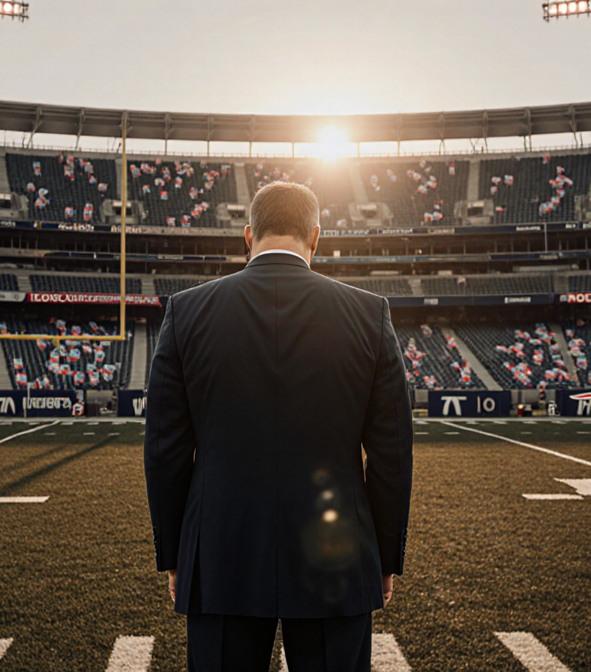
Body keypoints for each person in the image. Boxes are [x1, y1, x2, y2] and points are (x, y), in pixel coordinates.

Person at [144, 181, 414, 672]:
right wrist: (385, 557)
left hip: (221, 552)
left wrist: (175, 554)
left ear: (248, 235)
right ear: (316, 238)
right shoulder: (369, 314)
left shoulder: (185, 313)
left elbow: (164, 448)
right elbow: (392, 450)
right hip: (337, 551)